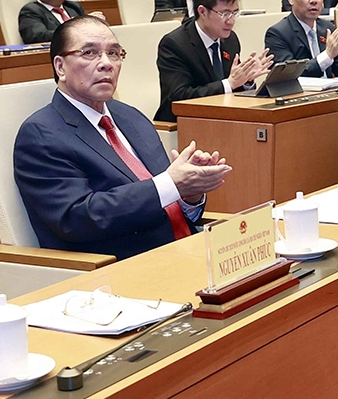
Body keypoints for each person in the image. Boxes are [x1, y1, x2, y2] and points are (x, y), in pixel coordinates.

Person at [14, 17, 228, 260]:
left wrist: (190, 195)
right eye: (89, 53)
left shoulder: (130, 117)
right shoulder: (41, 134)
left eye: (114, 53)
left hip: (187, 252)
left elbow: (164, 198)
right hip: (120, 268)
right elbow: (77, 218)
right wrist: (171, 184)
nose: (106, 63)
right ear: (60, 67)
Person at [155, 0, 273, 122]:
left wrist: (246, 80)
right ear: (202, 12)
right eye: (224, 14)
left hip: (222, 118)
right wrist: (229, 83)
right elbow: (180, 95)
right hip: (183, 123)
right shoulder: (174, 44)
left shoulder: (230, 40)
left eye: (234, 13)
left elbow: (233, 88)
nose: (231, 21)